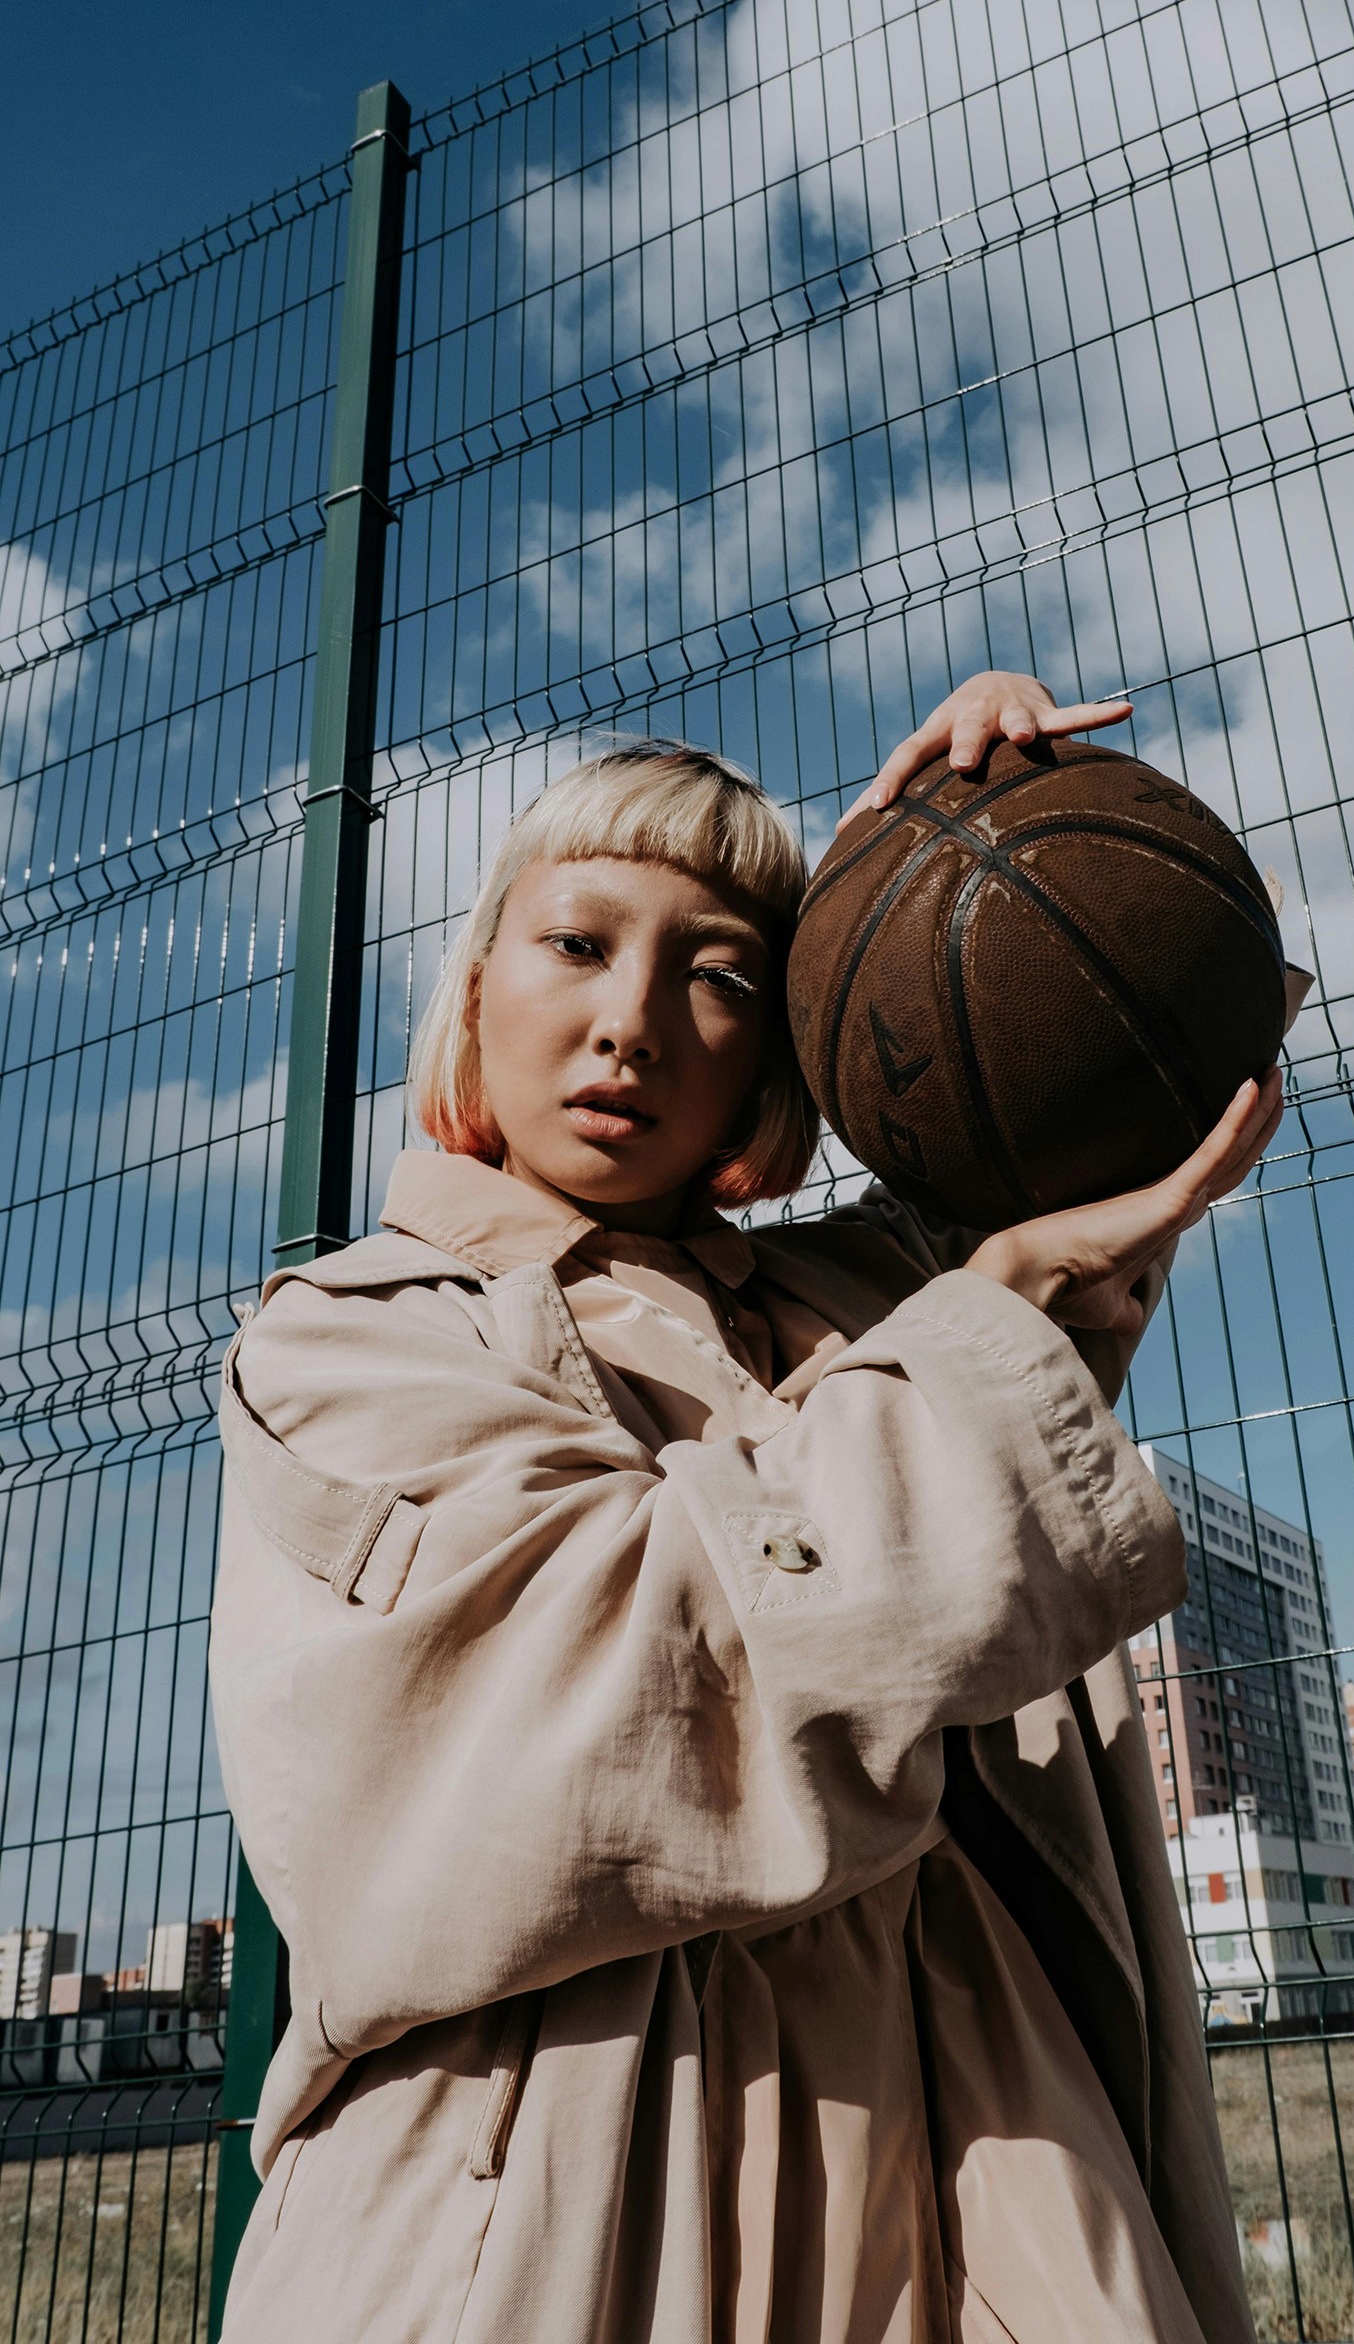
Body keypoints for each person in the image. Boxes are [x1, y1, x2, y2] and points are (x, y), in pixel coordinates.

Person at [210, 671, 1283, 2344]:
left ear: (778, 1056)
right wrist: (971, 1327)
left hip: (985, 2177)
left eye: (719, 977)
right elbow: (636, 1678)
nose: (633, 1019)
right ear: (477, 986)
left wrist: (949, 860)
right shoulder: (350, 1338)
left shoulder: (872, 1302)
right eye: (578, 943)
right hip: (560, 2218)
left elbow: (1094, 1115)